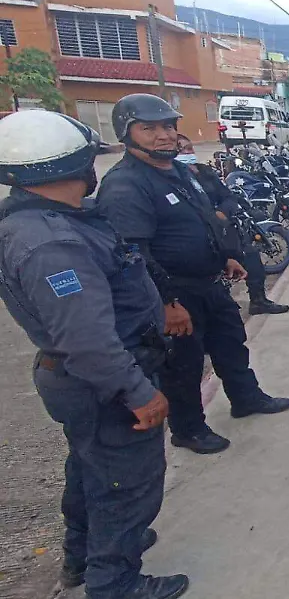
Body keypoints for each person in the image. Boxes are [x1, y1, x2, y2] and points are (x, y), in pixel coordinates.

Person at [0, 110, 189, 599]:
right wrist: (137, 392)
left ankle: (84, 555)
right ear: (70, 165)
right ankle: (115, 582)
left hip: (87, 378)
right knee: (126, 485)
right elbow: (86, 337)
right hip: (104, 380)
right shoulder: (53, 244)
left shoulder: (49, 221)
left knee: (90, 468)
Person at [97, 94, 289, 455]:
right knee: (183, 364)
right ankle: (188, 429)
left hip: (209, 283)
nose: (164, 135)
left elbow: (206, 218)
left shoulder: (182, 171)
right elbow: (133, 254)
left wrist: (226, 258)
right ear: (127, 133)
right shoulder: (126, 184)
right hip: (173, 292)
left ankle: (246, 397)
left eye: (169, 126)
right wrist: (167, 303)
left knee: (231, 343)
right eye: (149, 128)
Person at [174, 134, 289, 316]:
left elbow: (227, 196)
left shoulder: (204, 172)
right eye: (181, 150)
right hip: (201, 237)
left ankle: (258, 301)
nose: (187, 152)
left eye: (189, 148)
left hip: (225, 228)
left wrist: (222, 212)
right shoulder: (175, 179)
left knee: (252, 259)